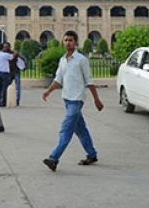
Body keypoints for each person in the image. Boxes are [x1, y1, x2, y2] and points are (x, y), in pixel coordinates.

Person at [41, 30, 104, 172]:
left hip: (77, 99)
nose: (68, 42)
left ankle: (54, 158)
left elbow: (89, 81)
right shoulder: (63, 60)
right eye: (66, 40)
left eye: (71, 40)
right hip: (67, 99)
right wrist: (48, 91)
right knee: (81, 129)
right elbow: (58, 79)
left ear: (76, 42)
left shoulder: (82, 60)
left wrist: (96, 99)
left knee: (66, 130)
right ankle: (92, 154)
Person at [0, 42, 16, 107]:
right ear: (2, 48)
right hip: (4, 73)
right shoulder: (5, 55)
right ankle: (3, 102)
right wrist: (14, 53)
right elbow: (12, 57)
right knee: (4, 88)